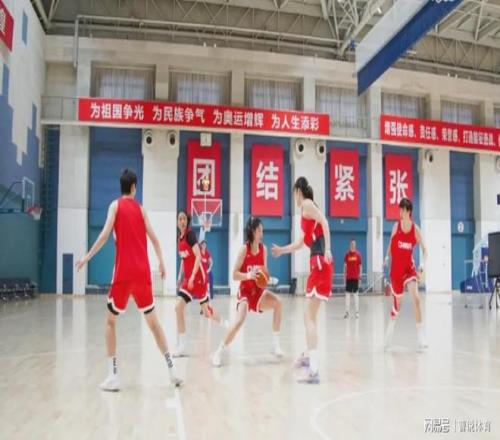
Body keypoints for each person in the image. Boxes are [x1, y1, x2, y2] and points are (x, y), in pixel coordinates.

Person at [76, 169, 182, 390]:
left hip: (123, 274)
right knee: (154, 324)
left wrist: (86, 257)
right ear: (134, 187)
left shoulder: (114, 206)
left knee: (110, 322)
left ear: (121, 186)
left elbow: (104, 235)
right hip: (142, 274)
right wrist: (162, 263)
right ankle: (172, 370)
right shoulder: (141, 210)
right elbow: (155, 240)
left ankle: (113, 375)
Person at [272, 177, 333, 384]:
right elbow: (300, 243)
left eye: (294, 193)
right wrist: (282, 250)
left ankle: (314, 369)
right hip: (317, 263)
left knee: (308, 316)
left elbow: (325, 222)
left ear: (298, 191)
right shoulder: (306, 216)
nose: (294, 198)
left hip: (320, 262)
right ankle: (309, 356)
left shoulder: (307, 204)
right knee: (310, 316)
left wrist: (328, 249)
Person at [211, 217, 283, 367]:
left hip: (258, 292)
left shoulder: (263, 250)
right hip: (245, 292)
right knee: (239, 321)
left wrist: (267, 279)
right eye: (259, 230)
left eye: (262, 230)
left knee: (278, 303)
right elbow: (234, 274)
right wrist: (249, 275)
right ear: (252, 231)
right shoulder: (244, 249)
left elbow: (264, 272)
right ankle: (218, 352)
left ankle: (275, 345)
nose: (262, 233)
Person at [174, 210, 226, 357]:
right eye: (180, 219)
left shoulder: (190, 235)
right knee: (178, 308)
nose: (182, 221)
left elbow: (197, 256)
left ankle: (224, 322)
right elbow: (184, 260)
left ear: (187, 221)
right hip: (188, 280)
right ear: (177, 222)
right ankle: (182, 346)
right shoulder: (179, 238)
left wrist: (192, 276)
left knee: (207, 312)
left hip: (198, 278)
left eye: (184, 219)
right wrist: (180, 277)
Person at [384, 197, 428, 351]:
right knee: (398, 305)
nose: (400, 213)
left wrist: (422, 266)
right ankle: (390, 329)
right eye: (399, 210)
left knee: (416, 299)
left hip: (409, 269)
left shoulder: (416, 229)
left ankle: (421, 338)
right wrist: (386, 257)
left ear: (408, 211)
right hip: (396, 271)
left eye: (402, 210)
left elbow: (425, 250)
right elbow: (391, 243)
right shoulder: (396, 226)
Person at [344, 240, 362, 319]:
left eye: (354, 244)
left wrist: (360, 276)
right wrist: (344, 275)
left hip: (355, 278)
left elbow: (360, 266)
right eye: (351, 244)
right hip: (348, 278)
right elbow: (345, 266)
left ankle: (357, 312)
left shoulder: (358, 255)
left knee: (356, 296)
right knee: (347, 296)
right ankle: (347, 312)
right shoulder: (347, 255)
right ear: (350, 245)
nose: (352, 245)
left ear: (355, 245)